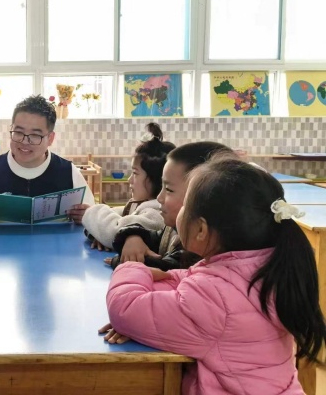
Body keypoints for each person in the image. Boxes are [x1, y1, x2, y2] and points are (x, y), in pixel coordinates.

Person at [105, 157, 325, 394]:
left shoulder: (214, 298)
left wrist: (132, 268)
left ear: (201, 229)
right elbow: (195, 280)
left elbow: (124, 308)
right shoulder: (269, 268)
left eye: (186, 205)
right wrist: (165, 279)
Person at [0, 94, 96, 227]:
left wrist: (86, 216)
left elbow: (93, 216)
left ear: (50, 138)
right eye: (18, 132)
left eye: (35, 135)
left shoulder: (68, 172)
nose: (24, 141)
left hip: (56, 242)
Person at [105, 142, 233, 271]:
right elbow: (152, 237)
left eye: (169, 190)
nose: (159, 198)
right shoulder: (172, 230)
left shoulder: (199, 251)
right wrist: (133, 236)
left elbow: (164, 268)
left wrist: (121, 261)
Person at [82, 122, 175, 250]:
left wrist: (91, 212)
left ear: (156, 179)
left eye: (135, 173)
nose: (129, 180)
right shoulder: (137, 205)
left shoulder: (156, 214)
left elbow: (115, 231)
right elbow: (108, 224)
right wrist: (99, 233)